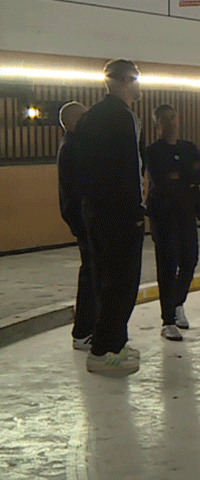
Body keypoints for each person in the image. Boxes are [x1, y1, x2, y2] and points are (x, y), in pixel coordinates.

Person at [75, 59, 146, 374]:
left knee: (104, 278)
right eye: (137, 80)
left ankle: (114, 342)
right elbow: (128, 169)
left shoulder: (90, 116)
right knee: (123, 282)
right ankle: (103, 351)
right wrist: (136, 211)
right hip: (119, 213)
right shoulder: (124, 117)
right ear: (128, 81)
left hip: (96, 211)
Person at [145, 104, 200, 343]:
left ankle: (177, 303)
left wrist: (182, 175)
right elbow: (162, 179)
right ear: (158, 124)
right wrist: (187, 175)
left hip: (187, 212)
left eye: (174, 117)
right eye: (165, 119)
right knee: (167, 265)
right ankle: (168, 320)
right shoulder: (153, 151)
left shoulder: (188, 147)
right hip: (163, 214)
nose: (171, 122)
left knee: (190, 259)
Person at [57, 101, 96, 352]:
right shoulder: (74, 147)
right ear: (70, 123)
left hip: (81, 217)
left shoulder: (72, 145)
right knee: (91, 273)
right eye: (83, 118)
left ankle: (88, 327)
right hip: (83, 219)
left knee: (93, 272)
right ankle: (82, 330)